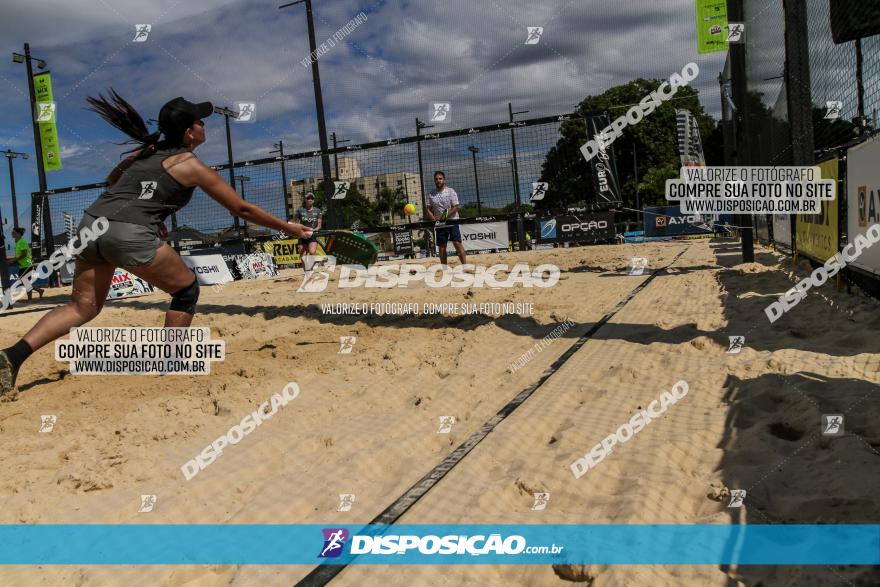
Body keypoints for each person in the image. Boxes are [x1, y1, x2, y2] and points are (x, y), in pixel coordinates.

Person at [0, 89, 312, 396]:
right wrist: (288, 228)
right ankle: (171, 363)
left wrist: (152, 213)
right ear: (189, 133)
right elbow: (241, 209)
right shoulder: (189, 164)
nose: (205, 125)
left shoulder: (145, 153)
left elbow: (113, 181)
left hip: (91, 225)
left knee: (81, 307)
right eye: (200, 122)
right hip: (127, 232)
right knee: (186, 289)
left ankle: (13, 357)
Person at [425, 170, 466, 266]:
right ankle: (444, 269)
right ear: (434, 181)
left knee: (457, 243)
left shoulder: (450, 191)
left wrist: (445, 216)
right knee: (442, 247)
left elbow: (456, 207)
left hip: (452, 221)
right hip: (440, 224)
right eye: (436, 179)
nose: (438, 181)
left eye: (440, 179)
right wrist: (434, 220)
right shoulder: (431, 194)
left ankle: (465, 265)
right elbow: (428, 209)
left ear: (444, 180)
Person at [6, 227, 45, 302]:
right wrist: (13, 260)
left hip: (27, 265)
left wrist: (14, 260)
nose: (12, 234)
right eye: (12, 232)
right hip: (23, 265)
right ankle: (39, 291)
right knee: (25, 282)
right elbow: (19, 254)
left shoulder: (22, 242)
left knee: (25, 282)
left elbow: (24, 254)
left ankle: (31, 298)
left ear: (19, 234)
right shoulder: (17, 242)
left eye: (14, 232)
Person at [295, 192, 322, 270]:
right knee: (302, 255)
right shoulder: (300, 210)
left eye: (312, 198)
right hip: (302, 235)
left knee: (312, 252)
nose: (310, 199)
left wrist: (313, 230)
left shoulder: (318, 211)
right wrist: (302, 232)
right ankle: (307, 272)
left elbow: (319, 225)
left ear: (313, 200)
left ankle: (311, 268)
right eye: (308, 198)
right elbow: (297, 224)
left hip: (312, 234)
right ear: (305, 200)